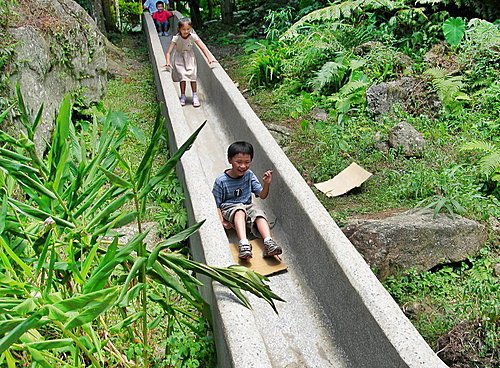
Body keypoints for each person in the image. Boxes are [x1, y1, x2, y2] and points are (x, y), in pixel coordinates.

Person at [212, 141, 283, 260]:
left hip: (247, 206)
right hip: (230, 208)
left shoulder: (249, 175)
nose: (243, 166)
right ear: (230, 160)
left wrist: (266, 184)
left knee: (259, 213)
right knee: (239, 211)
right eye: (238, 162)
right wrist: (223, 222)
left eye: (247, 162)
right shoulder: (221, 181)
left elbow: (262, 195)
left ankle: (269, 242)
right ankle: (244, 244)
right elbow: (216, 204)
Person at [164, 17, 217, 107]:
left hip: (189, 58)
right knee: (182, 76)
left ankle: (194, 95)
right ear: (179, 29)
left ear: (191, 28)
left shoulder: (193, 37)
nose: (186, 31)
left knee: (192, 76)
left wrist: (209, 58)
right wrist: (168, 61)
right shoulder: (176, 38)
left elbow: (203, 47)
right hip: (179, 58)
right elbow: (168, 52)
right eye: (183, 29)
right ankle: (183, 95)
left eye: (188, 29)